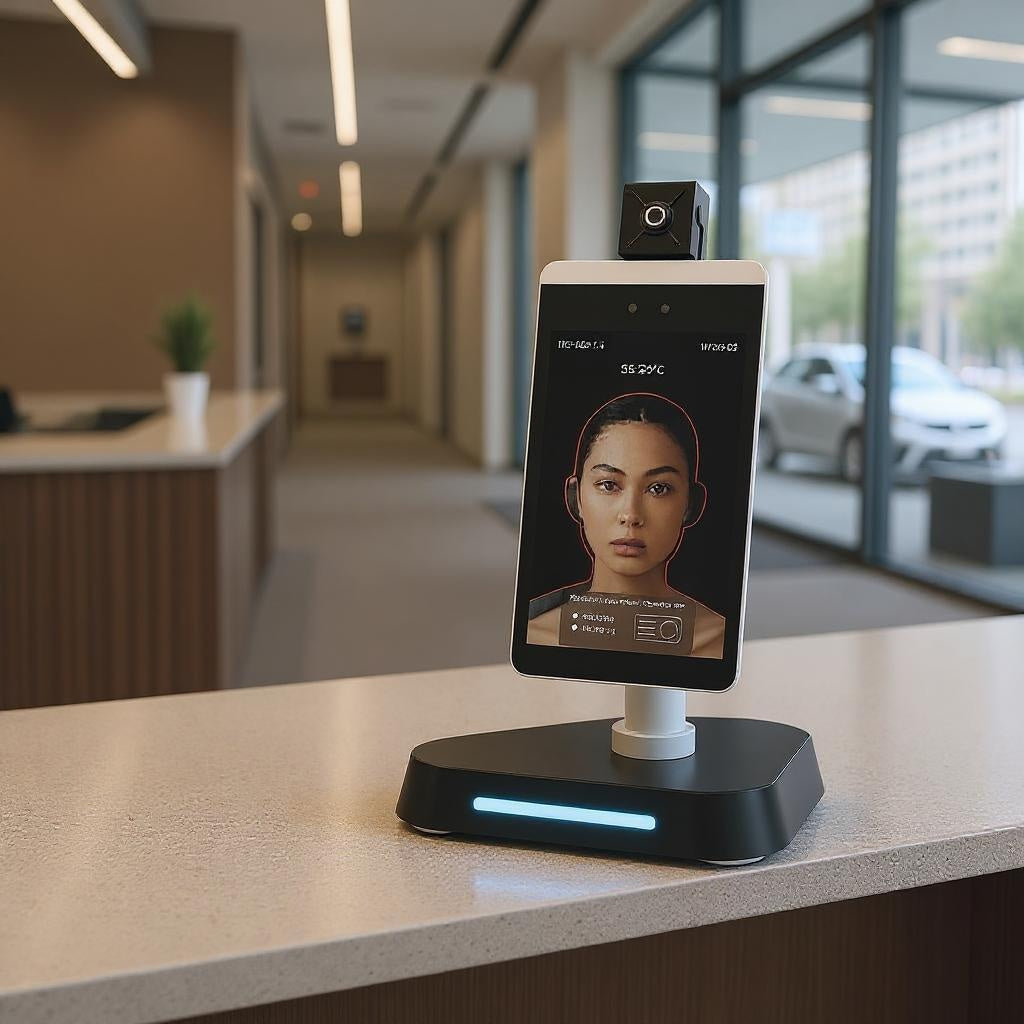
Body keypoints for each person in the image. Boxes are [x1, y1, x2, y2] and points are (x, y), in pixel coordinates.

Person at [527, 393, 725, 658]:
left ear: (691, 504)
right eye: (608, 485)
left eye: (658, 488)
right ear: (576, 498)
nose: (630, 515)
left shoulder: (718, 641)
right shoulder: (534, 634)